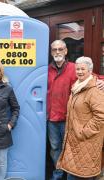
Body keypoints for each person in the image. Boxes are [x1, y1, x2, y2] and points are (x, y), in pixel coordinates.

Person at [47, 40, 104, 180]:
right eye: (54, 49)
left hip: (70, 120)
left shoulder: (75, 68)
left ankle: (69, 174)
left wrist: (102, 82)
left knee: (71, 150)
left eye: (60, 49)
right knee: (55, 150)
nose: (57, 52)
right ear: (51, 52)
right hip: (52, 119)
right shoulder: (46, 70)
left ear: (66, 51)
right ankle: (59, 175)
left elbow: (93, 78)